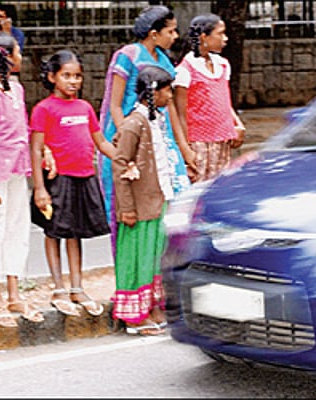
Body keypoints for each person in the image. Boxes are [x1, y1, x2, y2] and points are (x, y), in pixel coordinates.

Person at [99, 5, 195, 257]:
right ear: (154, 33)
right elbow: (116, 106)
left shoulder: (164, 60)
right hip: (132, 138)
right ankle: (131, 276)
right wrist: (127, 144)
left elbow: (171, 106)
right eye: (171, 31)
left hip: (161, 138)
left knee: (173, 201)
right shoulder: (128, 55)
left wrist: (183, 148)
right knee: (132, 208)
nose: (175, 37)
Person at [29, 49, 116, 318]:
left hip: (84, 177)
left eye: (77, 76)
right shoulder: (44, 109)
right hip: (57, 180)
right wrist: (40, 187)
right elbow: (35, 149)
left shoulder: (85, 107)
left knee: (75, 233)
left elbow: (100, 141)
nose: (73, 81)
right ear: (53, 77)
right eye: (66, 75)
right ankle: (58, 288)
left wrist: (123, 158)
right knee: (54, 232)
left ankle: (77, 287)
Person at [0, 32, 44, 328]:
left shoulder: (16, 89)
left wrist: (45, 152)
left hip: (17, 170)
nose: (22, 57)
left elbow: (22, 130)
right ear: (5, 58)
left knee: (17, 229)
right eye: (17, 52)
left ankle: (15, 293)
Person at [111, 65, 175, 335]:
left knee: (155, 258)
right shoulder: (134, 124)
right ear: (153, 92)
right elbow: (120, 164)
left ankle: (153, 306)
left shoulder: (155, 119)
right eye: (167, 90)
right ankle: (134, 316)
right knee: (137, 259)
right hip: (138, 207)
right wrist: (126, 209)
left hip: (157, 200)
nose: (170, 96)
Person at [174, 13, 246, 182]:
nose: (225, 38)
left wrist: (237, 124)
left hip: (222, 140)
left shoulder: (222, 64)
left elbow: (224, 100)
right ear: (204, 37)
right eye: (220, 33)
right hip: (199, 143)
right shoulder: (185, 70)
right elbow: (180, 114)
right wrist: (186, 149)